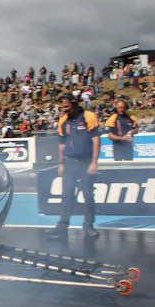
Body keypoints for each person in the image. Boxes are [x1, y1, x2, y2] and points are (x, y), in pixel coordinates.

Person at [46, 93, 101, 238]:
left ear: (74, 103)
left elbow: (96, 140)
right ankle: (62, 226)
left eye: (66, 106)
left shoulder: (88, 117)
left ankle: (89, 226)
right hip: (69, 163)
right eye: (62, 107)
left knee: (88, 196)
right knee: (67, 196)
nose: (64, 110)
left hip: (86, 162)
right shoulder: (63, 121)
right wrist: (61, 164)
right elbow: (62, 144)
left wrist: (94, 162)